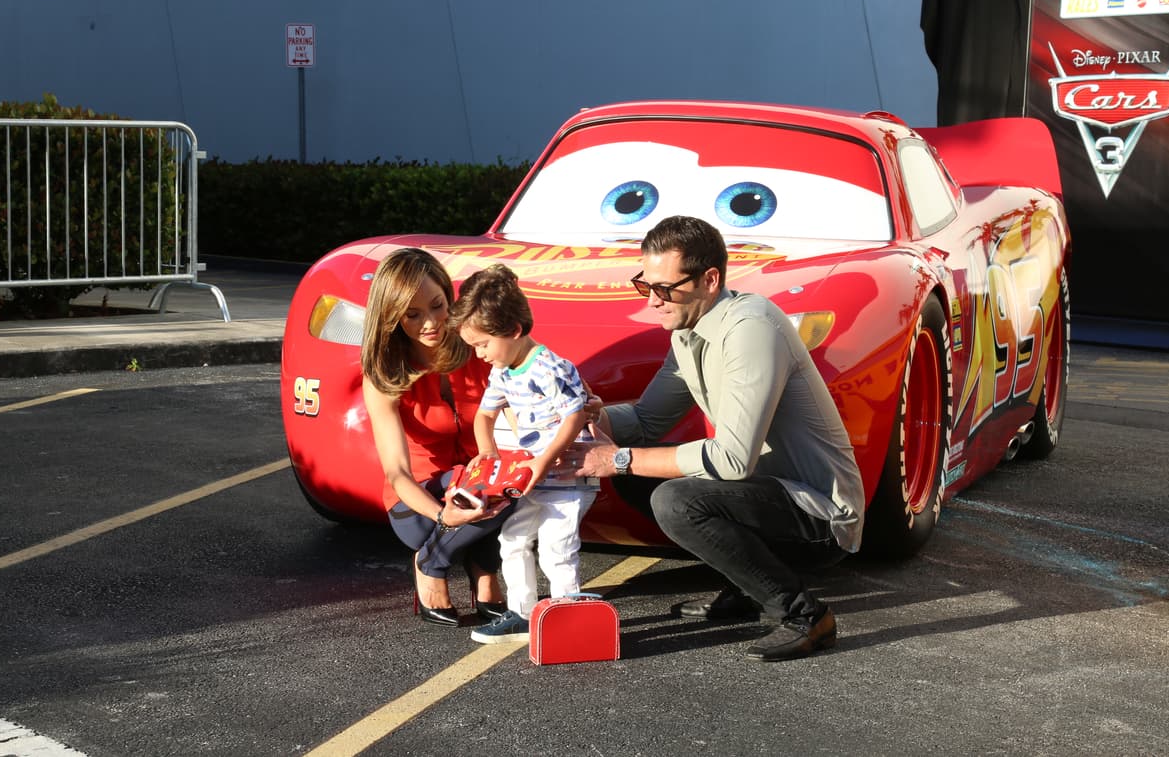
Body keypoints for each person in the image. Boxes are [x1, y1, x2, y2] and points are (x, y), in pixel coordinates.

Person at [572, 215, 865, 662]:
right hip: (765, 498)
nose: (652, 300)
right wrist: (587, 418)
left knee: (674, 499)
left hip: (821, 518)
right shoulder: (689, 330)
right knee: (640, 478)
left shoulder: (751, 329)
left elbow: (732, 462)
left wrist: (618, 459)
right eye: (644, 284)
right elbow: (649, 421)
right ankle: (745, 588)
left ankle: (806, 616)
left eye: (665, 288)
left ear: (710, 279)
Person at [361, 247, 511, 628]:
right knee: (469, 499)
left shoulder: (480, 344)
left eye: (438, 305)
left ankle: (454, 561)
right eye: (412, 315)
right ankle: (441, 559)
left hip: (479, 479)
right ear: (392, 318)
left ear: (450, 295)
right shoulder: (385, 373)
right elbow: (397, 473)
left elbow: (527, 392)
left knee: (510, 483)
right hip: (420, 500)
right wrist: (443, 516)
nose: (430, 323)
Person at [448, 263, 595, 644]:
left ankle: (567, 616)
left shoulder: (551, 368)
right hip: (530, 479)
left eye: (482, 344)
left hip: (566, 477)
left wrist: (545, 459)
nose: (478, 354)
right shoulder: (503, 372)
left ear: (512, 330)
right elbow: (484, 415)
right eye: (473, 346)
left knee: (556, 548)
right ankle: (521, 612)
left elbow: (576, 415)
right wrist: (487, 453)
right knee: (512, 539)